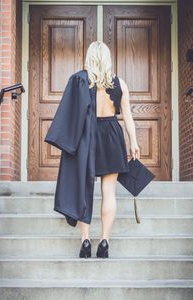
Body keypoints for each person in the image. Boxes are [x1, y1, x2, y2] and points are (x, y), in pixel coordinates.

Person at [78, 41, 140, 259]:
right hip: (112, 134)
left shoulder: (82, 82)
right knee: (109, 191)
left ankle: (85, 241)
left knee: (83, 191)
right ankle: (104, 241)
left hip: (87, 136)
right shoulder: (120, 84)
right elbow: (128, 117)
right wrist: (133, 141)